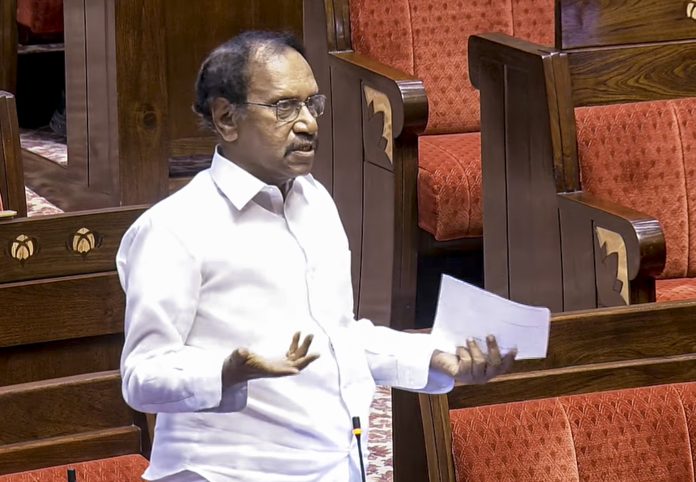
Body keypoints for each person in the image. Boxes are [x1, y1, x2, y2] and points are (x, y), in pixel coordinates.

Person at [116, 31, 516, 482]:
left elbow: (338, 338)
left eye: (312, 104)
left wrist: (432, 356)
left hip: (336, 465)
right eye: (284, 107)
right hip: (223, 473)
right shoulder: (173, 228)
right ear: (227, 118)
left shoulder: (315, 201)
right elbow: (141, 376)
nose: (308, 123)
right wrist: (226, 371)